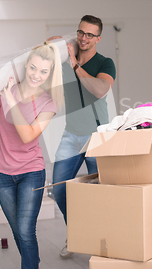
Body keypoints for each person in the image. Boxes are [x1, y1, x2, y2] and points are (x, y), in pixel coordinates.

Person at [0, 43, 64, 269]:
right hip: (1, 172)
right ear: (26, 65)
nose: (37, 75)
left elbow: (28, 135)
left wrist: (11, 101)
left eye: (43, 71)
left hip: (31, 172)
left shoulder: (49, 102)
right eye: (33, 68)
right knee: (18, 230)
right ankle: (32, 261)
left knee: (26, 231)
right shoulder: (7, 90)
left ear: (50, 73)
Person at [48, 15, 116, 258]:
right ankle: (76, 233)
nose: (84, 38)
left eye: (90, 34)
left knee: (102, 194)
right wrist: (56, 44)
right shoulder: (67, 58)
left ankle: (104, 244)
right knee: (59, 189)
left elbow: (99, 90)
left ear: (98, 38)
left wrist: (76, 65)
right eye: (81, 32)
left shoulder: (104, 63)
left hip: (98, 136)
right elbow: (43, 54)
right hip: (71, 135)